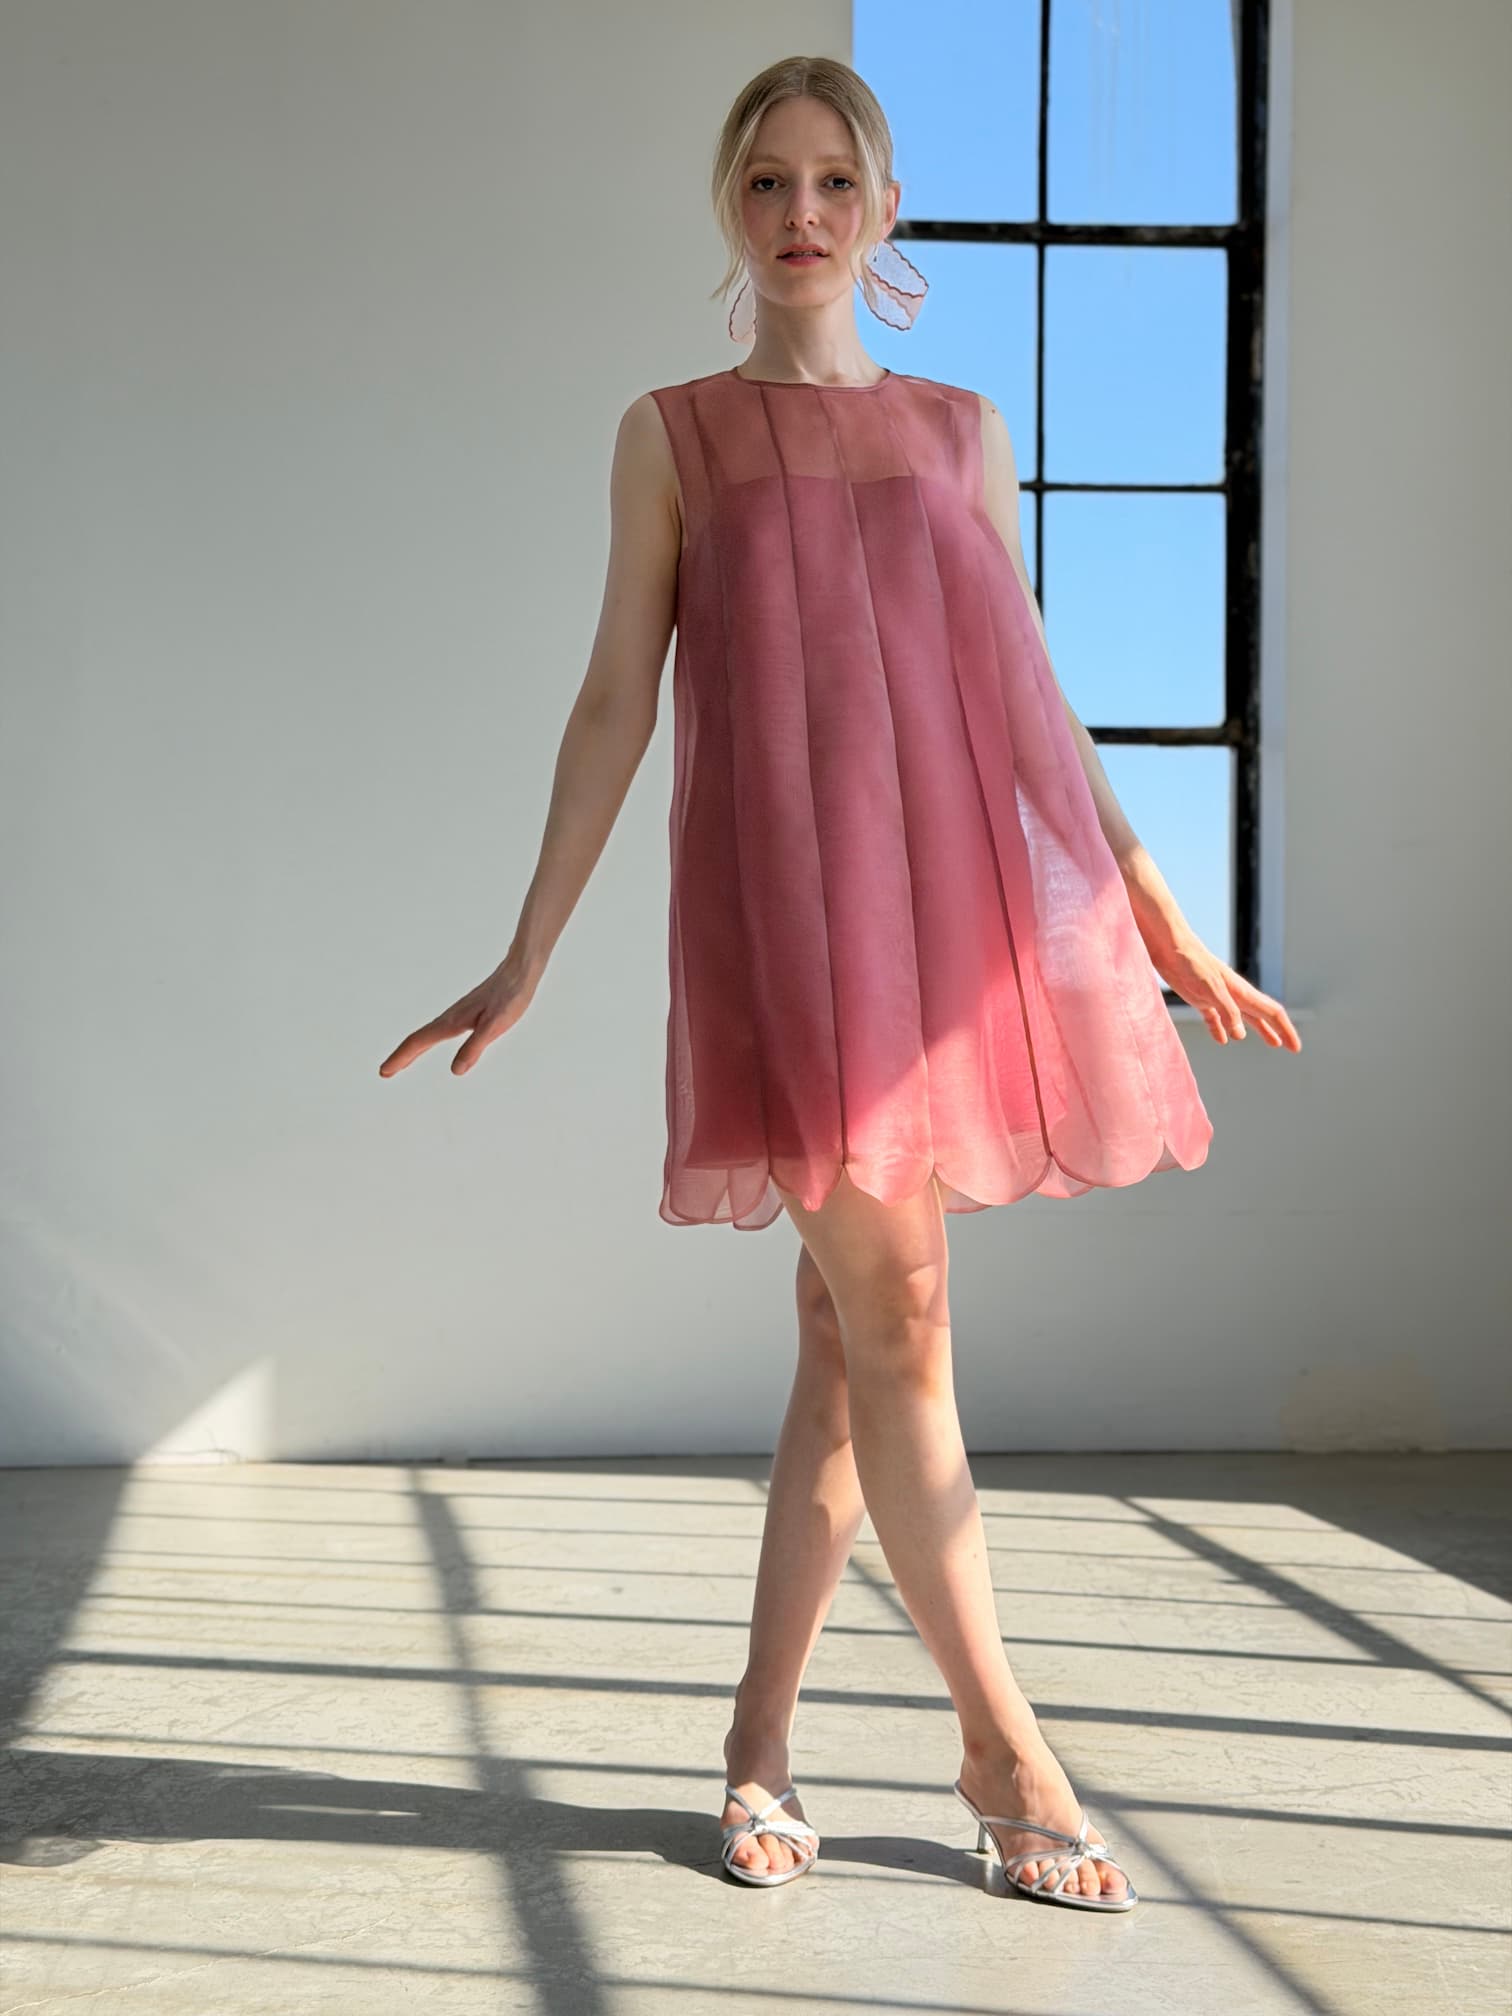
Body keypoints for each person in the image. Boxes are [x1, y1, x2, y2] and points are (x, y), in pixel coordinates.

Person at [380, 55, 1302, 1910]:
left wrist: (1155, 910)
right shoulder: (674, 435)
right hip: (780, 924)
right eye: (766, 181)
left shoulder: (964, 431)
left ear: (883, 212)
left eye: (832, 181)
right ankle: (1001, 1745)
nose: (799, 212)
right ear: (730, 208)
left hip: (938, 931)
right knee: (905, 1323)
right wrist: (530, 943)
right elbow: (614, 703)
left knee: (845, 1339)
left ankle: (758, 1739)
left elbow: (1034, 696)